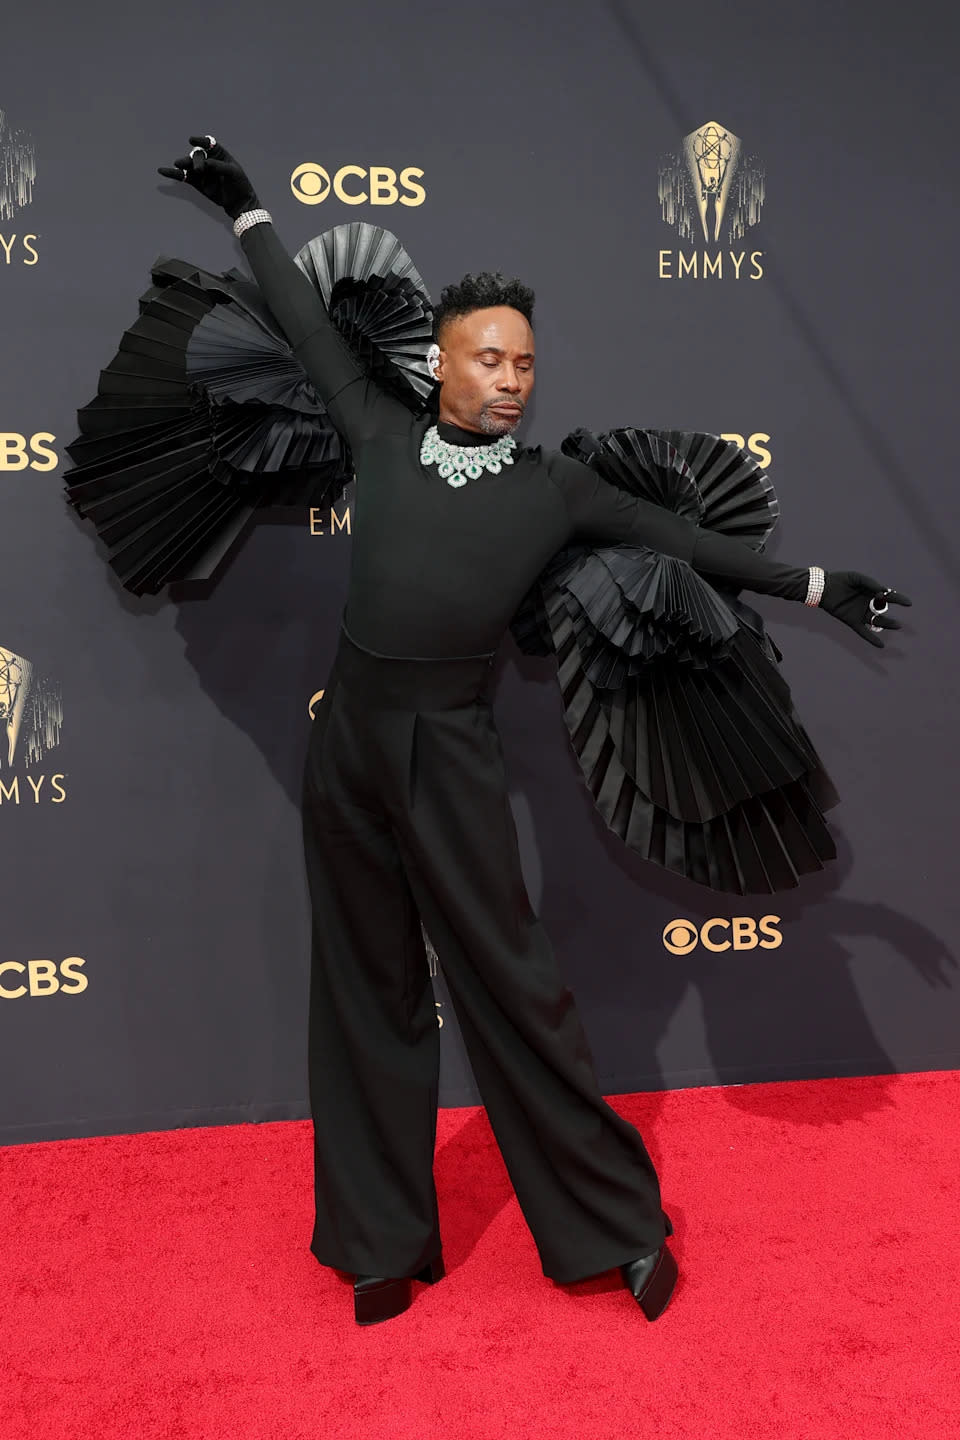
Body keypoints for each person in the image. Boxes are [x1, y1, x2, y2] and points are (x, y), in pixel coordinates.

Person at [158, 136, 910, 1327]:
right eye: (489, 358)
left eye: (525, 363)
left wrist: (820, 582)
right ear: (442, 365)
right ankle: (378, 1243)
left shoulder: (556, 489)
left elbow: (694, 547)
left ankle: (613, 1230)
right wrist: (248, 204)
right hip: (349, 742)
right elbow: (303, 318)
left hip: (451, 749)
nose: (512, 379)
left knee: (514, 985)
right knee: (365, 984)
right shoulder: (378, 432)